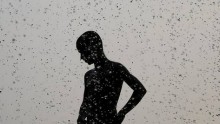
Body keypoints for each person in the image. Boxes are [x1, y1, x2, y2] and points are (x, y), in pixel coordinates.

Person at [76, 31, 146, 124]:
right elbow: (86, 102)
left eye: (83, 52)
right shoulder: (88, 75)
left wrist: (122, 112)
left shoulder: (116, 68)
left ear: (93, 48)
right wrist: (80, 118)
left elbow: (140, 90)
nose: (81, 57)